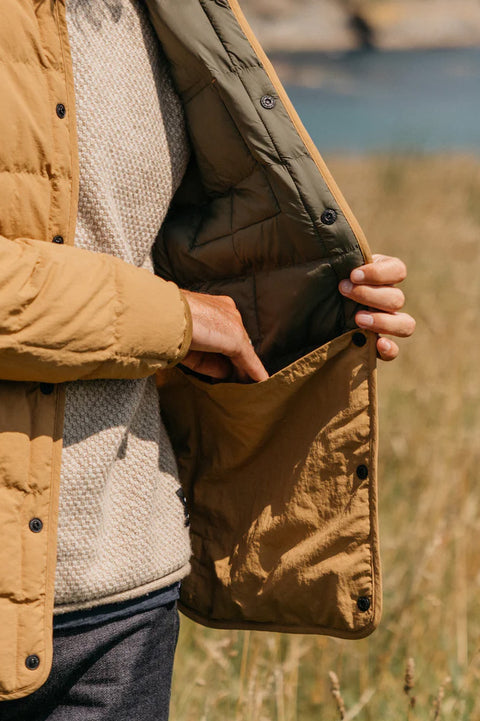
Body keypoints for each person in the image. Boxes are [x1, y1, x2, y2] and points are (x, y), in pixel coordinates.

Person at [0, 1, 415, 719]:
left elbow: (151, 247)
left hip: (128, 591)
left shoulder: (163, 13)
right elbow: (167, 310)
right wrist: (181, 320)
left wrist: (317, 302)